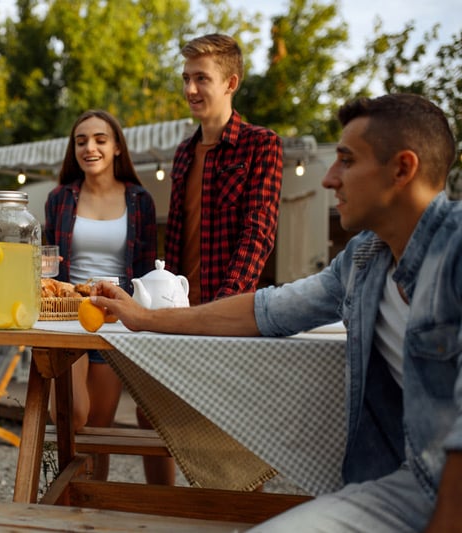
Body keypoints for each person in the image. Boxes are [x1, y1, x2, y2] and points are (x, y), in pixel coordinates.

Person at [90, 93, 460, 532]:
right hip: (410, 486)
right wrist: (146, 318)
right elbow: (265, 309)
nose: (329, 179)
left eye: (346, 160)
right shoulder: (364, 260)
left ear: (402, 168)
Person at [139, 33, 283, 485]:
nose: (190, 89)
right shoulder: (183, 153)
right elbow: (178, 236)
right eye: (186, 78)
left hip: (229, 311)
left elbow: (258, 234)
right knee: (152, 413)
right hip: (178, 311)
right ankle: (163, 509)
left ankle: (235, 515)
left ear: (231, 82)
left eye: (202, 78)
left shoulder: (263, 145)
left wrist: (221, 311)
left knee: (230, 427)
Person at [44, 109, 157, 480]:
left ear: (117, 148)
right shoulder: (59, 198)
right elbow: (47, 262)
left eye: (99, 139)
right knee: (73, 414)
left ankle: (92, 509)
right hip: (67, 314)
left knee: (98, 429)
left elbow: (144, 272)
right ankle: (73, 498)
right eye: (81, 141)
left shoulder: (140, 200)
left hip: (113, 318)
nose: (89, 147)